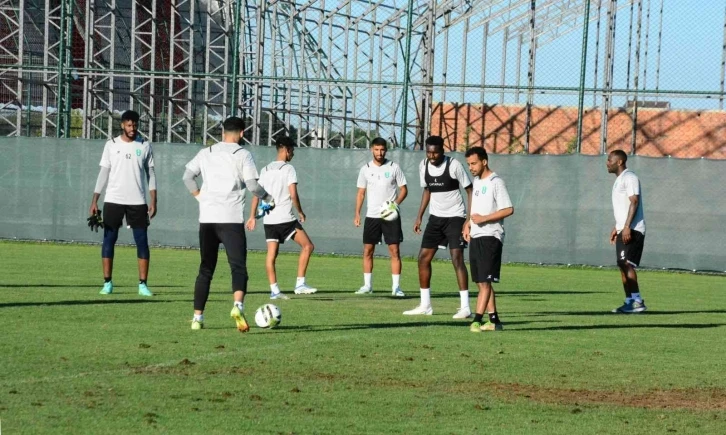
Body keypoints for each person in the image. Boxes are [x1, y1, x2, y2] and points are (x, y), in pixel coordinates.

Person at [182, 116, 275, 331]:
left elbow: (187, 177)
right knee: (238, 267)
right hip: (231, 220)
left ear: (223, 132)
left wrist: (199, 197)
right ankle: (237, 306)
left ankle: (197, 318)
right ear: (242, 133)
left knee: (206, 269)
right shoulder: (243, 154)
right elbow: (252, 186)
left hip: (207, 220)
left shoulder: (206, 152)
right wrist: (269, 198)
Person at [403, 135, 473, 318]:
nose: (431, 156)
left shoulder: (454, 165)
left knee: (457, 258)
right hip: (435, 218)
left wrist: (469, 219)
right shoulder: (423, 165)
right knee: (423, 259)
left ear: (442, 150)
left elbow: (470, 190)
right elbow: (427, 190)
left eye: (435, 153)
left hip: (456, 217)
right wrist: (419, 216)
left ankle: (465, 307)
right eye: (428, 152)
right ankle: (425, 305)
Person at [89, 110, 156, 297]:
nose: (132, 128)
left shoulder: (145, 145)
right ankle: (107, 283)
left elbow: (151, 174)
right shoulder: (111, 145)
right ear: (122, 125)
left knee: (142, 241)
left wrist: (154, 200)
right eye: (129, 125)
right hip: (113, 200)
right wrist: (95, 200)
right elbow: (103, 173)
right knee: (109, 240)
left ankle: (143, 285)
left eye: (135, 125)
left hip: (138, 202)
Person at [245, 136, 317, 299]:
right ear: (286, 149)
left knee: (271, 255)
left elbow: (256, 193)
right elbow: (293, 194)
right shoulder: (288, 169)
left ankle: (274, 291)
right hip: (285, 219)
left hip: (269, 221)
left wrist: (252, 216)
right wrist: (300, 212)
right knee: (308, 246)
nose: (293, 153)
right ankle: (300, 284)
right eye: (293, 150)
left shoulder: (265, 169)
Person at [463, 147, 513, 332]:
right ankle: (494, 321)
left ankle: (476, 320)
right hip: (476, 235)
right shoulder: (477, 182)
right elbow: (475, 209)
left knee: (485, 282)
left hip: (491, 236)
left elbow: (508, 209)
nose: (471, 167)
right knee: (480, 281)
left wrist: (484, 219)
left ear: (484, 162)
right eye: (469, 164)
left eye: (474, 163)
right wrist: (468, 224)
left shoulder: (496, 182)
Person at [354, 137, 408, 297]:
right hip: (372, 216)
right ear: (372, 149)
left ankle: (396, 288)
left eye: (382, 149)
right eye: (377, 149)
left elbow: (404, 190)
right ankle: (367, 285)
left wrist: (394, 205)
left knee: (394, 251)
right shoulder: (365, 169)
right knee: (368, 250)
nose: (379, 153)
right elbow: (361, 193)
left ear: (386, 150)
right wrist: (357, 213)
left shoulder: (394, 167)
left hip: (390, 216)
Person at [606, 149, 647, 313]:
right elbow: (623, 207)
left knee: (626, 263)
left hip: (633, 229)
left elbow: (634, 202)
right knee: (622, 264)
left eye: (610, 160)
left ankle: (637, 301)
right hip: (623, 228)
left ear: (620, 162)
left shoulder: (630, 177)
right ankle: (630, 301)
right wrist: (617, 227)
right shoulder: (620, 179)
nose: (607, 163)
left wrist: (627, 226)